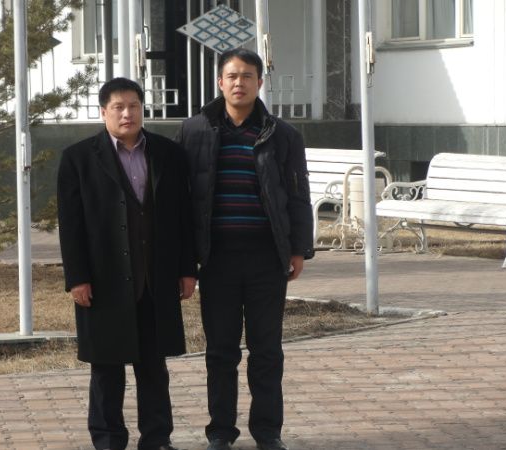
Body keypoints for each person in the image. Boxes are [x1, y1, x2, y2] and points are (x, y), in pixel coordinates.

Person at [175, 48, 314, 450]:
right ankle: (221, 431)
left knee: (266, 350)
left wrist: (299, 249)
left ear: (259, 82)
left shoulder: (282, 134)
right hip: (216, 258)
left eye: (247, 76)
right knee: (220, 351)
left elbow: (298, 195)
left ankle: (268, 431)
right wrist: (185, 261)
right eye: (232, 76)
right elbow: (181, 201)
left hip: (265, 257)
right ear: (220, 82)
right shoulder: (194, 131)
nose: (239, 83)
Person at [57, 77, 196, 450]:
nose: (127, 114)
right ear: (103, 112)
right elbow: (70, 225)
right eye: (118, 107)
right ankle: (108, 440)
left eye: (133, 106)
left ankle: (157, 438)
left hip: (155, 278)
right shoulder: (78, 158)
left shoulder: (168, 154)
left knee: (153, 367)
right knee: (106, 368)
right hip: (103, 280)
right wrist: (77, 278)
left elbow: (183, 217)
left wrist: (187, 270)